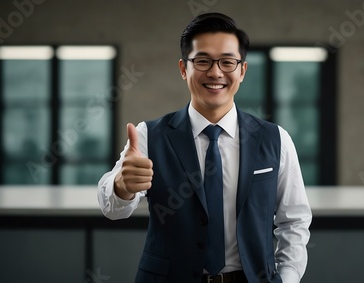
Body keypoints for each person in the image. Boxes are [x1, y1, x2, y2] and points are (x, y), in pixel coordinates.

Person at [97, 12, 312, 283]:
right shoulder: (149, 135)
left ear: (242, 70)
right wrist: (122, 186)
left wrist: (288, 278)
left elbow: (294, 221)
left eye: (227, 62)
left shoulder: (276, 139)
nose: (215, 72)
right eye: (202, 61)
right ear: (183, 68)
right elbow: (113, 210)